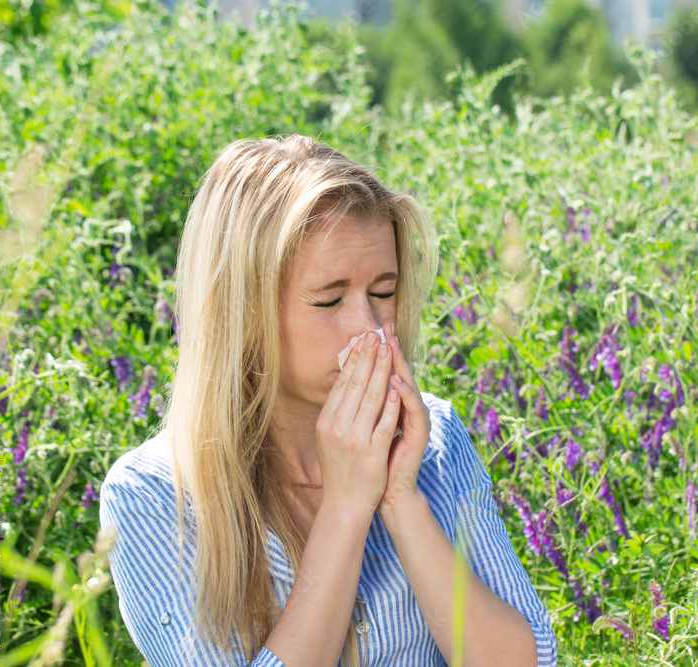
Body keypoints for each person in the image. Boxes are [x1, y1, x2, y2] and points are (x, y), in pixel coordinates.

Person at [99, 135, 558, 666]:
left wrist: (401, 499)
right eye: (329, 299)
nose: (368, 328)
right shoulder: (155, 496)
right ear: (241, 312)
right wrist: (345, 508)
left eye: (383, 293)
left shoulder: (433, 440)